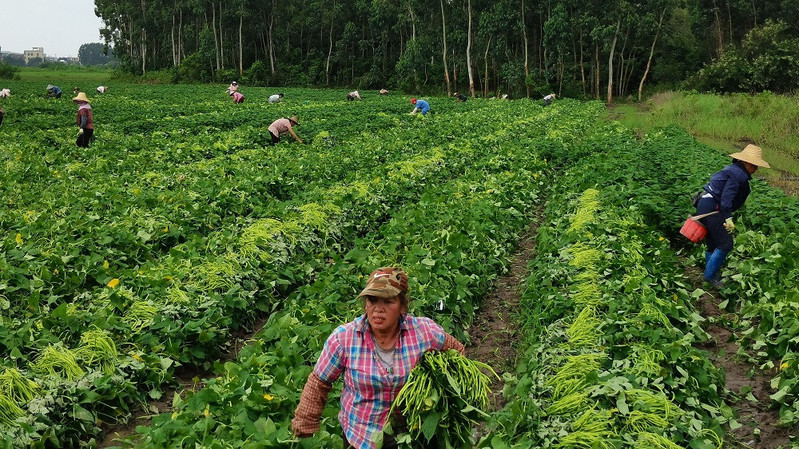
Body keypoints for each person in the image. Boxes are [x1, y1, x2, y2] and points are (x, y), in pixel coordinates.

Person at [292, 267, 465, 449]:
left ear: (402, 306)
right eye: (372, 300)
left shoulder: (424, 332)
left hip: (414, 433)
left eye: (388, 301)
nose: (378, 309)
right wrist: (305, 426)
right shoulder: (344, 338)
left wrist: (438, 389)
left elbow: (457, 353)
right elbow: (319, 382)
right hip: (362, 436)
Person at [695, 144, 771, 287]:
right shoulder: (738, 174)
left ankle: (710, 274)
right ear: (747, 162)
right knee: (726, 243)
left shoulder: (734, 170)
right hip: (712, 208)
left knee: (714, 243)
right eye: (755, 165)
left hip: (705, 204)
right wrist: (728, 218)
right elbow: (726, 199)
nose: (756, 169)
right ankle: (709, 277)